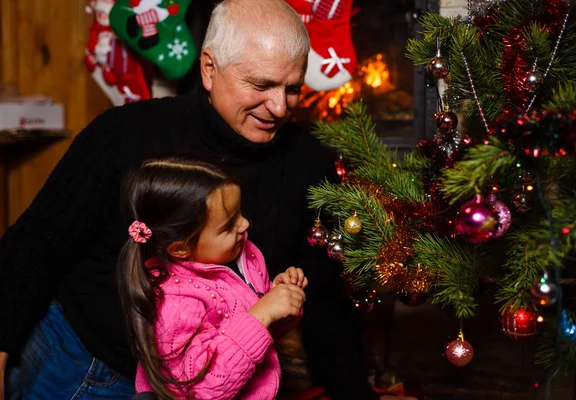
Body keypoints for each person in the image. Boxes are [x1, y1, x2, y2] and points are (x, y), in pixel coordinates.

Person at [0, 0, 405, 399]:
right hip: (74, 359)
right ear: (210, 69)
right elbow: (37, 242)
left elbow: (323, 302)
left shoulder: (308, 163)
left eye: (293, 88)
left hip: (211, 384)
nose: (280, 107)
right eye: (261, 85)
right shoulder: (125, 133)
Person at [118, 156, 307, 399]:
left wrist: (279, 303)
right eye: (229, 225)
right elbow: (203, 390)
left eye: (240, 213)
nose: (245, 224)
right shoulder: (174, 302)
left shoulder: (243, 254)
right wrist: (262, 314)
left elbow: (261, 337)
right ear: (180, 248)